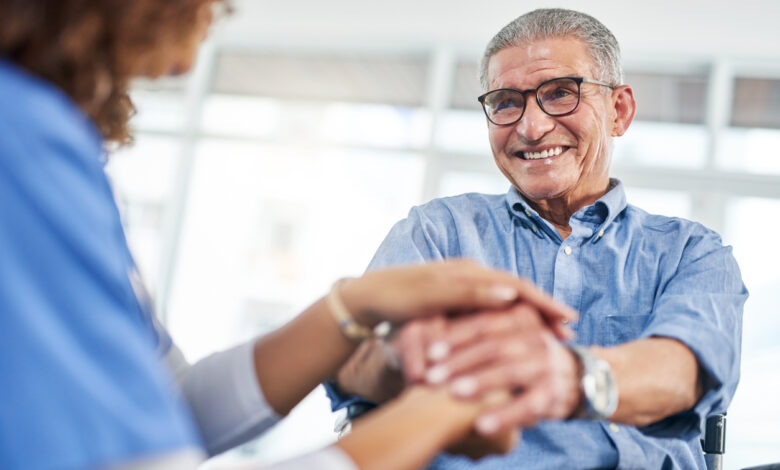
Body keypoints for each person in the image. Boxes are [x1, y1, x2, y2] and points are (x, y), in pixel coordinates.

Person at [0, 1, 580, 470]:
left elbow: (167, 408)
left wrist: (350, 306)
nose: (182, 61)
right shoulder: (23, 142)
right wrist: (449, 405)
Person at [328, 8, 747, 469]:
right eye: (507, 101)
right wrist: (402, 358)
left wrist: (567, 375)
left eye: (561, 93)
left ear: (619, 111)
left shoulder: (691, 252)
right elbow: (351, 364)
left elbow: (686, 372)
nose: (531, 126)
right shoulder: (437, 233)